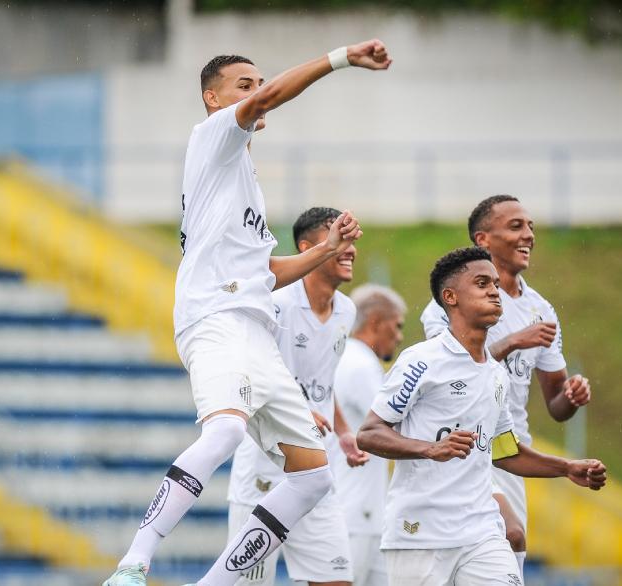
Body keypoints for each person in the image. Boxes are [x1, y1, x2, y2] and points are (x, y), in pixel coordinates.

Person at [103, 40, 391, 586]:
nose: (257, 93)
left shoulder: (241, 181)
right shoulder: (212, 137)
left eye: (259, 83)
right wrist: (342, 57)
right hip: (215, 317)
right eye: (245, 84)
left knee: (314, 477)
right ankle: (133, 563)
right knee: (225, 435)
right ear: (213, 100)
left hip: (254, 329)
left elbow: (264, 272)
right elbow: (274, 97)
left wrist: (325, 251)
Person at [359, 247, 607, 586]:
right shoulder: (421, 361)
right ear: (451, 297)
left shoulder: (495, 373)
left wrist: (567, 468)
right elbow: (369, 433)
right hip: (419, 533)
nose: (494, 290)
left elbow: (505, 451)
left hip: (480, 531)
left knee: (513, 540)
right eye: (481, 283)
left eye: (495, 283)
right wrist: (430, 448)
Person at [418, 195, 591, 572]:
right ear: (483, 240)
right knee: (507, 533)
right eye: (516, 226)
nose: (528, 234)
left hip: (509, 449)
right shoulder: (450, 301)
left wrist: (572, 395)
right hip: (458, 443)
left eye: (530, 226)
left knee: (510, 559)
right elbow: (446, 371)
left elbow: (557, 407)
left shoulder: (541, 310)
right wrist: (513, 340)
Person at [228, 206, 369, 586]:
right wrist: (299, 410)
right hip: (264, 471)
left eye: (351, 238)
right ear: (306, 247)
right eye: (336, 236)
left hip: (317, 472)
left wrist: (342, 431)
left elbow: (323, 381)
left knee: (337, 581)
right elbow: (246, 374)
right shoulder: (276, 303)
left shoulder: (346, 311)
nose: (350, 248)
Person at [333, 283, 407, 586]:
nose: (400, 336)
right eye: (397, 325)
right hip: (355, 512)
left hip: (364, 510)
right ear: (376, 322)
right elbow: (395, 426)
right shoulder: (361, 364)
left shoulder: (346, 357)